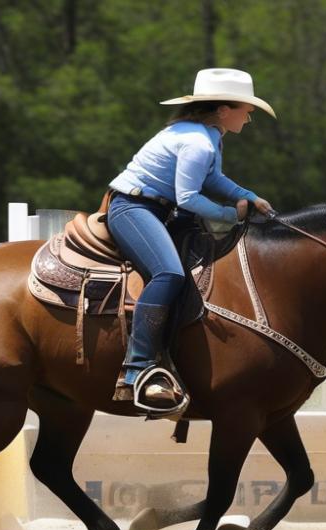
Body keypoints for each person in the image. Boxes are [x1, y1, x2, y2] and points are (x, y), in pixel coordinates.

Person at [107, 68, 275, 411]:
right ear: (224, 110)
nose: (249, 118)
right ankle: (137, 368)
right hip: (133, 207)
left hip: (154, 208)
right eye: (246, 110)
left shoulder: (207, 134)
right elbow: (188, 197)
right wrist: (231, 215)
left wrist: (248, 195)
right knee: (169, 273)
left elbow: (213, 178)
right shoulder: (198, 142)